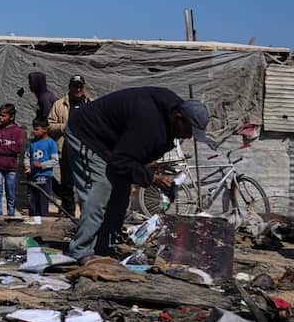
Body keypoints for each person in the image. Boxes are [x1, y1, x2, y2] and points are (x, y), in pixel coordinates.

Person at [65, 87, 209, 261]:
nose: (189, 136)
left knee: (120, 194)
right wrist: (153, 179)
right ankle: (81, 251)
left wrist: (152, 175)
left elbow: (135, 156)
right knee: (100, 189)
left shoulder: (169, 115)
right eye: (189, 130)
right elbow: (122, 161)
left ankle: (104, 247)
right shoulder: (149, 122)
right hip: (87, 134)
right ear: (179, 117)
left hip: (113, 147)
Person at [49, 75, 91, 215]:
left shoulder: (91, 103)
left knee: (87, 183)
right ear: (70, 87)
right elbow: (50, 125)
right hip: (67, 148)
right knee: (67, 183)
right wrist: (64, 127)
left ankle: (87, 212)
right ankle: (69, 212)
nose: (78, 89)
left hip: (87, 150)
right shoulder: (59, 104)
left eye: (80, 86)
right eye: (75, 86)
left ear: (84, 87)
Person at [0, 103, 25, 217]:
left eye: (4, 116)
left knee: (10, 192)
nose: (1, 118)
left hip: (11, 167)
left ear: (11, 117)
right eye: (0, 115)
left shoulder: (18, 131)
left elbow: (16, 148)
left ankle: (11, 214)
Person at [25, 117, 59, 220]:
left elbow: (55, 160)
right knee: (32, 199)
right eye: (34, 129)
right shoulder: (32, 143)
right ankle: (33, 221)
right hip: (32, 176)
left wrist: (42, 165)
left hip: (45, 176)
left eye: (37, 129)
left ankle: (42, 222)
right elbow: (27, 156)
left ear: (45, 129)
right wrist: (27, 166)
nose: (35, 132)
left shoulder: (51, 143)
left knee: (42, 200)